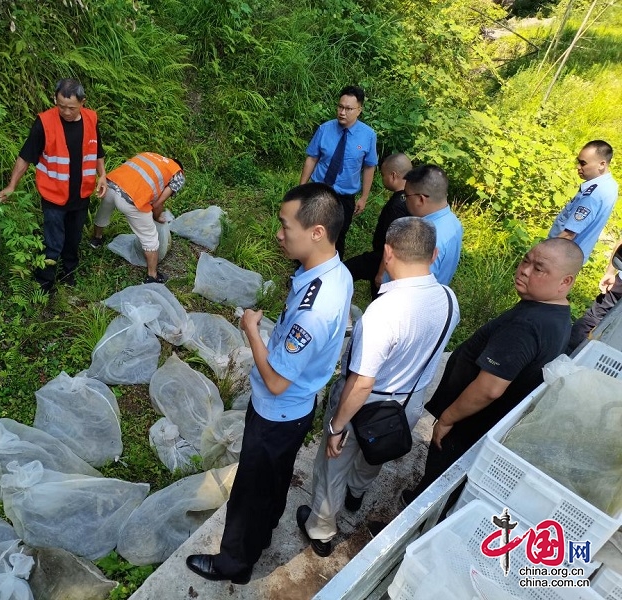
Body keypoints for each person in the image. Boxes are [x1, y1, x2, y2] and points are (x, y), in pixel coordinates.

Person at [185, 183, 353, 584]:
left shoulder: (315, 309)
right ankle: (264, 531)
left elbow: (276, 380)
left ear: (316, 231)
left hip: (278, 411)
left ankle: (234, 565)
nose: (279, 234)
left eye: (285, 225)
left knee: (249, 492)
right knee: (273, 481)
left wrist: (252, 332)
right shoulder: (334, 271)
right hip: (297, 408)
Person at [296, 217, 459, 557]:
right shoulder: (448, 299)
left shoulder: (382, 313)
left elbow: (362, 381)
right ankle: (357, 492)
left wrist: (337, 426)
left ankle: (322, 530)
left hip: (365, 404)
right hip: (408, 403)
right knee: (376, 453)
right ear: (435, 255)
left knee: (331, 466)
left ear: (387, 252)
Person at [402, 237, 584, 505]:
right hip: (487, 425)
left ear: (565, 282)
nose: (524, 270)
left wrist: (448, 418)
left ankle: (410, 526)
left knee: (438, 484)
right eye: (526, 260)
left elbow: (489, 388)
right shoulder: (556, 313)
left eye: (539, 268)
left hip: (469, 425)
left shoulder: (526, 325)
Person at [0, 78, 107, 292]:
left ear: (83, 102)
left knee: (74, 237)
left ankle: (69, 273)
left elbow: (97, 150)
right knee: (53, 240)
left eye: (71, 108)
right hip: (53, 195)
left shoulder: (91, 119)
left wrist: (102, 175)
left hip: (81, 194)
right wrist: (12, 185)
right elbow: (25, 156)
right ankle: (45, 281)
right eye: (61, 106)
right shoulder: (44, 123)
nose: (65, 112)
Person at [300, 85, 378, 259]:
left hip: (344, 196)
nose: (342, 112)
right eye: (340, 107)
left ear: (359, 110)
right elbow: (312, 158)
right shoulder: (325, 129)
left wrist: (364, 197)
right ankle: (303, 268)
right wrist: (302, 187)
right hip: (319, 189)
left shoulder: (368, 135)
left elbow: (369, 166)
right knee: (311, 231)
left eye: (348, 108)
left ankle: (332, 273)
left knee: (337, 235)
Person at [90, 152, 184, 284]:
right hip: (131, 198)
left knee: (104, 211)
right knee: (150, 237)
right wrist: (157, 217)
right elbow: (158, 203)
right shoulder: (178, 174)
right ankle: (152, 276)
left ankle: (96, 239)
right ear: (179, 167)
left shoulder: (151, 156)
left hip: (111, 184)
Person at [343, 152, 412, 299]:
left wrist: (381, 272)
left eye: (383, 175)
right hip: (393, 259)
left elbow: (392, 242)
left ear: (393, 175)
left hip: (383, 258)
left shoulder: (397, 206)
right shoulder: (411, 198)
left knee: (346, 271)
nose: (382, 179)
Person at [548, 140, 618, 265]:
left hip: (559, 256)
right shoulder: (610, 185)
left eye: (583, 163)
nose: (578, 167)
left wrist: (542, 254)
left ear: (602, 164)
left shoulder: (592, 195)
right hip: (574, 256)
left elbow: (568, 235)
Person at [402, 164, 463, 285]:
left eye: (406, 196)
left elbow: (413, 286)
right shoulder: (454, 223)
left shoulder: (424, 237)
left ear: (421, 199)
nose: (405, 200)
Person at [567, 236, 622, 353]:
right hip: (618, 286)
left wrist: (611, 272)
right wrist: (611, 272)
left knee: (593, 320)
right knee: (592, 321)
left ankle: (562, 356)